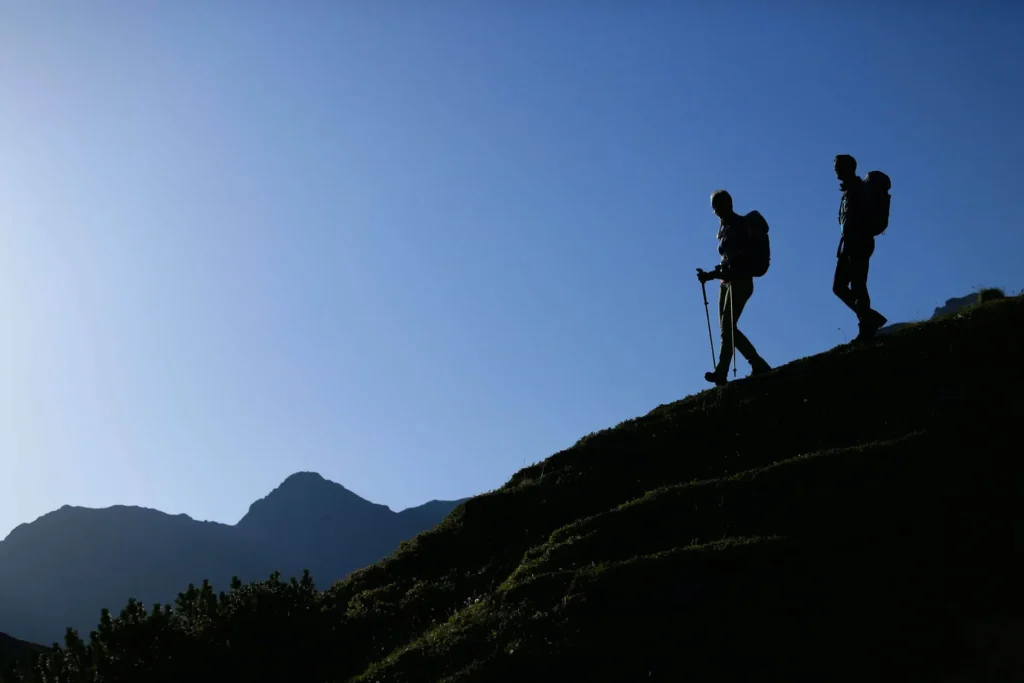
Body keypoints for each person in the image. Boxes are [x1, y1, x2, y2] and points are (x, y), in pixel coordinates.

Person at [696, 190, 772, 386]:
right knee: (726, 328)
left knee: (727, 327)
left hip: (741, 280)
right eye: (714, 207)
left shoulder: (741, 225)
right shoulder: (723, 230)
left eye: (718, 206)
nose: (716, 211)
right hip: (726, 282)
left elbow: (738, 258)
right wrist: (710, 275)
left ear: (728, 204)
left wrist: (721, 270)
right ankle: (750, 365)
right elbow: (727, 261)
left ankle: (736, 368)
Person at [833, 154, 887, 341]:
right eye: (836, 166)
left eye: (839, 166)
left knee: (857, 285)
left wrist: (856, 234)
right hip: (849, 243)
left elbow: (860, 217)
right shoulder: (848, 191)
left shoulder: (858, 188)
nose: (836, 170)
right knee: (839, 287)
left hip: (859, 241)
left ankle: (866, 325)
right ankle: (870, 317)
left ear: (849, 168)